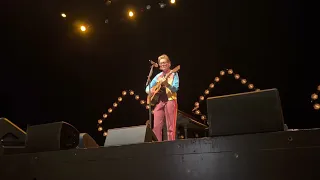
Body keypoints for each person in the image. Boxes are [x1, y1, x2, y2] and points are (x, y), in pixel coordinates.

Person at [145, 54, 179, 141]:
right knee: (156, 126)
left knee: (170, 126)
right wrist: (152, 90)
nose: (163, 64)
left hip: (170, 100)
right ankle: (157, 145)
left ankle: (171, 144)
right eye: (161, 63)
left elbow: (175, 88)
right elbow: (147, 89)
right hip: (159, 101)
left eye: (164, 62)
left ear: (169, 64)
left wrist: (167, 84)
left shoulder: (173, 74)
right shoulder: (158, 76)